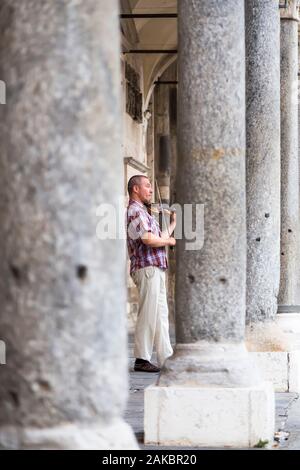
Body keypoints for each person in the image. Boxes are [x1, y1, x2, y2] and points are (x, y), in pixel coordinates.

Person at [126, 175, 176, 373]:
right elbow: (147, 239)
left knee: (160, 314)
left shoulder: (144, 213)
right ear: (135, 189)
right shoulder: (135, 210)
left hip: (155, 268)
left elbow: (158, 237)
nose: (150, 190)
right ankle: (141, 358)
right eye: (147, 186)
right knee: (148, 313)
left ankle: (167, 358)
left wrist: (172, 225)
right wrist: (170, 242)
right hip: (146, 269)